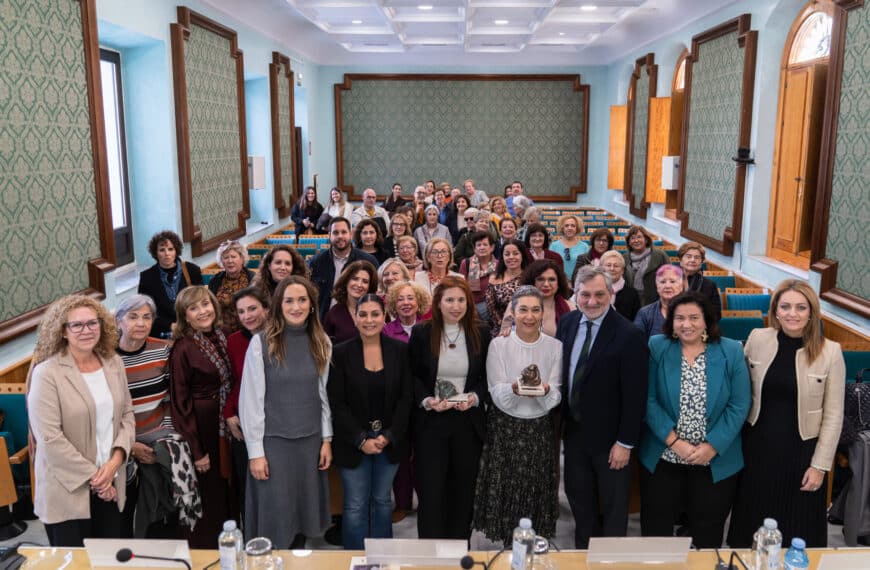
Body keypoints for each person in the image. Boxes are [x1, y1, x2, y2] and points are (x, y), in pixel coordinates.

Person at [728, 280, 845, 548]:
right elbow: (739, 392)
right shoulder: (758, 338)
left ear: (811, 312)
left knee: (797, 531)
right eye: (786, 306)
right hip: (756, 450)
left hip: (802, 454)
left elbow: (834, 416)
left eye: (801, 307)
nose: (793, 313)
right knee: (751, 528)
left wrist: (819, 466)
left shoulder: (830, 352)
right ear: (776, 311)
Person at [640, 291, 750, 548]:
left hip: (714, 459)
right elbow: (648, 400)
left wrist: (712, 446)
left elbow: (739, 404)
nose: (686, 324)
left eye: (693, 318)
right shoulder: (657, 346)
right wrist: (674, 441)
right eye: (679, 318)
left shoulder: (730, 350)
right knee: (657, 530)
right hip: (664, 455)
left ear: (706, 320)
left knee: (707, 533)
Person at [27, 295, 135, 547]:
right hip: (67, 490)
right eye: (77, 325)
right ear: (62, 331)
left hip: (111, 481)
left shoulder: (114, 362)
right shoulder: (47, 373)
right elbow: (50, 439)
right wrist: (97, 479)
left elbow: (127, 416)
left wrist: (114, 463)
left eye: (92, 323)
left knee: (111, 561)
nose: (86, 330)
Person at [556, 266, 648, 549]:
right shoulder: (569, 322)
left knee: (612, 509)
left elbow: (636, 395)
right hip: (574, 434)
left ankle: (611, 561)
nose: (592, 301)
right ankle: (583, 557)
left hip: (611, 442)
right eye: (585, 295)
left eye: (599, 294)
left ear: (611, 294)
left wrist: (625, 443)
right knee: (580, 503)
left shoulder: (629, 334)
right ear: (575, 294)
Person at [240, 276, 333, 549]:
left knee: (304, 518)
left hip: (310, 441)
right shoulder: (261, 343)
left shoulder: (321, 340)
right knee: (276, 518)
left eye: (302, 300)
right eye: (289, 300)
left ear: (312, 304)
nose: (296, 306)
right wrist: (256, 452)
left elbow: (323, 395)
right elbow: (251, 402)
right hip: (274, 444)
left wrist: (326, 439)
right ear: (278, 305)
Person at [473, 286, 562, 544]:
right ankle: (507, 551)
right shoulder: (499, 345)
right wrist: (515, 390)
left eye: (536, 309)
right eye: (523, 309)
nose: (529, 316)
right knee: (507, 491)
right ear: (513, 311)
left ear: (543, 313)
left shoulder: (555, 347)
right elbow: (496, 391)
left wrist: (543, 392)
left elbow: (555, 394)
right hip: (505, 426)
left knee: (534, 493)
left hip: (538, 428)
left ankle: (531, 547)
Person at [328, 294, 412, 549]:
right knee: (355, 504)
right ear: (355, 317)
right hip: (352, 443)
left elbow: (406, 398)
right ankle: (354, 558)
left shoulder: (400, 350)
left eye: (375, 314)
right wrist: (361, 439)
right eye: (362, 314)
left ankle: (382, 557)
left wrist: (388, 436)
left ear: (384, 316)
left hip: (389, 441)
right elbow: (337, 403)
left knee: (382, 500)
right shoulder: (340, 353)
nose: (368, 320)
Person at [409, 277, 490, 539]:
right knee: (431, 493)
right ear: (438, 303)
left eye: (461, 300)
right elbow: (412, 376)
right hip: (432, 421)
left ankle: (458, 553)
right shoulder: (422, 332)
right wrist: (426, 400)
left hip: (467, 422)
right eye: (449, 300)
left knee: (462, 492)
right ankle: (431, 556)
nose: (455, 306)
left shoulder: (482, 332)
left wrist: (475, 398)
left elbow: (486, 378)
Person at [115, 295, 199, 539]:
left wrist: (165, 437)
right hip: (122, 440)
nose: (140, 323)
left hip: (159, 433)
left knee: (167, 504)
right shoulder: (108, 357)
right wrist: (130, 446)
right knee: (126, 510)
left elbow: (169, 398)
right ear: (118, 320)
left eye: (146, 317)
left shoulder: (161, 349)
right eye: (133, 317)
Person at [168, 286, 233, 548]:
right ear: (185, 316)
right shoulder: (183, 348)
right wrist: (196, 451)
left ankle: (232, 539)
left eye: (205, 304)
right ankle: (209, 549)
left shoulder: (226, 333)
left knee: (230, 488)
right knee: (210, 492)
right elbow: (180, 403)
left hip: (229, 423)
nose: (202, 311)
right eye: (193, 308)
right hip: (204, 429)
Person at [223, 287, 271, 528]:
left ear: (266, 308)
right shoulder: (233, 341)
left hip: (276, 421)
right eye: (241, 311)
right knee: (248, 485)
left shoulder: (279, 336)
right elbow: (235, 381)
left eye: (252, 309)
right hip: (245, 422)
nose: (247, 316)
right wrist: (229, 412)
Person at [308, 217, 379, 319]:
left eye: (344, 232)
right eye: (336, 233)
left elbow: (376, 292)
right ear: (329, 236)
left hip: (358, 319)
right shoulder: (316, 262)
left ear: (350, 234)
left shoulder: (368, 261)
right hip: (324, 320)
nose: (340, 236)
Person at [137, 230, 203, 339]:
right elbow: (145, 312)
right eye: (162, 250)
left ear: (176, 251)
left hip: (192, 327)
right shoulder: (147, 277)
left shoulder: (192, 270)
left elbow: (201, 302)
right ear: (156, 253)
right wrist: (170, 326)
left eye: (170, 249)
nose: (167, 253)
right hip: (163, 332)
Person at [324, 261, 379, 344]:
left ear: (370, 286)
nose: (359, 284)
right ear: (346, 281)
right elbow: (326, 349)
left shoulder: (379, 311)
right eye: (355, 279)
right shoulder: (333, 314)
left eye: (365, 281)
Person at [208, 240, 255, 333]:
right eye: (226, 257)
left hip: (247, 329)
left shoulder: (253, 279)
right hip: (221, 331)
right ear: (222, 261)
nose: (230, 261)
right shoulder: (215, 280)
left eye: (233, 257)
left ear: (242, 259)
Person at [519, 259, 574, 337]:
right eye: (540, 279)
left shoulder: (570, 308)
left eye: (552, 279)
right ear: (532, 282)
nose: (546, 284)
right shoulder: (516, 304)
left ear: (559, 283)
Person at [486, 239, 530, 338]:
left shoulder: (530, 277)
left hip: (526, 327)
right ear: (502, 257)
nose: (511, 257)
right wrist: (504, 325)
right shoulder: (494, 278)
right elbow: (491, 309)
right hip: (500, 329)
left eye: (515, 253)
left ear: (522, 255)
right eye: (507, 254)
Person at [634, 265, 685, 338]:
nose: (667, 286)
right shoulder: (645, 313)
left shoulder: (693, 311)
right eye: (663, 282)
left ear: (681, 286)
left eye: (672, 281)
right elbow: (636, 341)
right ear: (657, 286)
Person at [622, 225, 668, 306]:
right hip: (631, 300)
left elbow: (669, 275)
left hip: (654, 300)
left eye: (639, 237)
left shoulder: (659, 255)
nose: (636, 240)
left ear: (646, 239)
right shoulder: (624, 258)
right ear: (629, 242)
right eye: (632, 238)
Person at [458, 231, 498, 320]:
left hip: (492, 308)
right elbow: (460, 287)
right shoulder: (466, 263)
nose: (482, 247)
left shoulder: (498, 265)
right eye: (479, 245)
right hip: (470, 307)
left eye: (485, 244)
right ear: (474, 249)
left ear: (492, 247)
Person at [678, 242, 722, 322]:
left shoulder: (709, 285)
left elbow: (716, 314)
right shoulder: (670, 280)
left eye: (697, 257)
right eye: (689, 256)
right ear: (681, 260)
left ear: (701, 262)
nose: (692, 260)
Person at [599, 250, 641, 321]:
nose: (612, 269)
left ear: (622, 271)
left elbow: (635, 321)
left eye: (616, 266)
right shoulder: (593, 289)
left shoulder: (632, 294)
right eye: (608, 265)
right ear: (602, 269)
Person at [553, 214, 588, 283]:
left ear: (577, 228)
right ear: (562, 228)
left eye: (573, 226)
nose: (570, 228)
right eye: (566, 226)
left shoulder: (584, 247)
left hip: (579, 283)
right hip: (559, 283)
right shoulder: (554, 246)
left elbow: (587, 268)